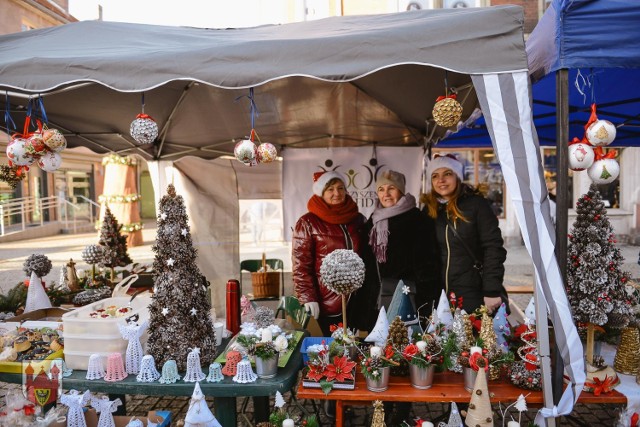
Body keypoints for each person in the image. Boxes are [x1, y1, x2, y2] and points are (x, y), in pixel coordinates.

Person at [351, 170, 441, 332]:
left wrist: (426, 304)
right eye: (381, 189)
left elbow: (428, 268)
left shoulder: (418, 220)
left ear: (401, 190)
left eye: (391, 188)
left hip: (407, 300)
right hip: (376, 303)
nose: (386, 194)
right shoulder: (372, 221)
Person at [422, 154, 508, 315]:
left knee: (475, 339)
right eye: (435, 176)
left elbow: (493, 248)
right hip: (440, 295)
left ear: (458, 177)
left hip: (472, 291)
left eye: (447, 174)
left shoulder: (477, 205)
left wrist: (491, 290)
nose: (441, 180)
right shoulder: (429, 211)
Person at [292, 171, 370, 336]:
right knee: (335, 347)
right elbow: (301, 264)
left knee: (355, 346)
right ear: (321, 192)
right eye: (330, 189)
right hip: (328, 300)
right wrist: (308, 297)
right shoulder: (307, 222)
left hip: (358, 298)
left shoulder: (358, 219)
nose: (337, 193)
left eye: (340, 188)